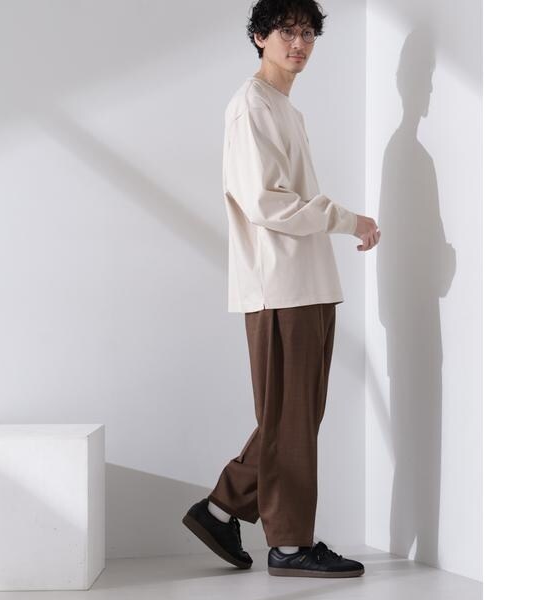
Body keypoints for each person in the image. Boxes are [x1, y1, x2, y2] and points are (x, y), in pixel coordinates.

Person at [182, 0, 379, 578]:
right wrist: (349, 220)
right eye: (287, 32)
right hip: (279, 285)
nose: (299, 43)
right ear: (260, 37)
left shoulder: (284, 108)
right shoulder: (251, 106)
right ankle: (289, 544)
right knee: (290, 419)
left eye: (308, 33)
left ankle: (221, 509)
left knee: (295, 416)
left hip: (307, 282)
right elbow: (265, 202)